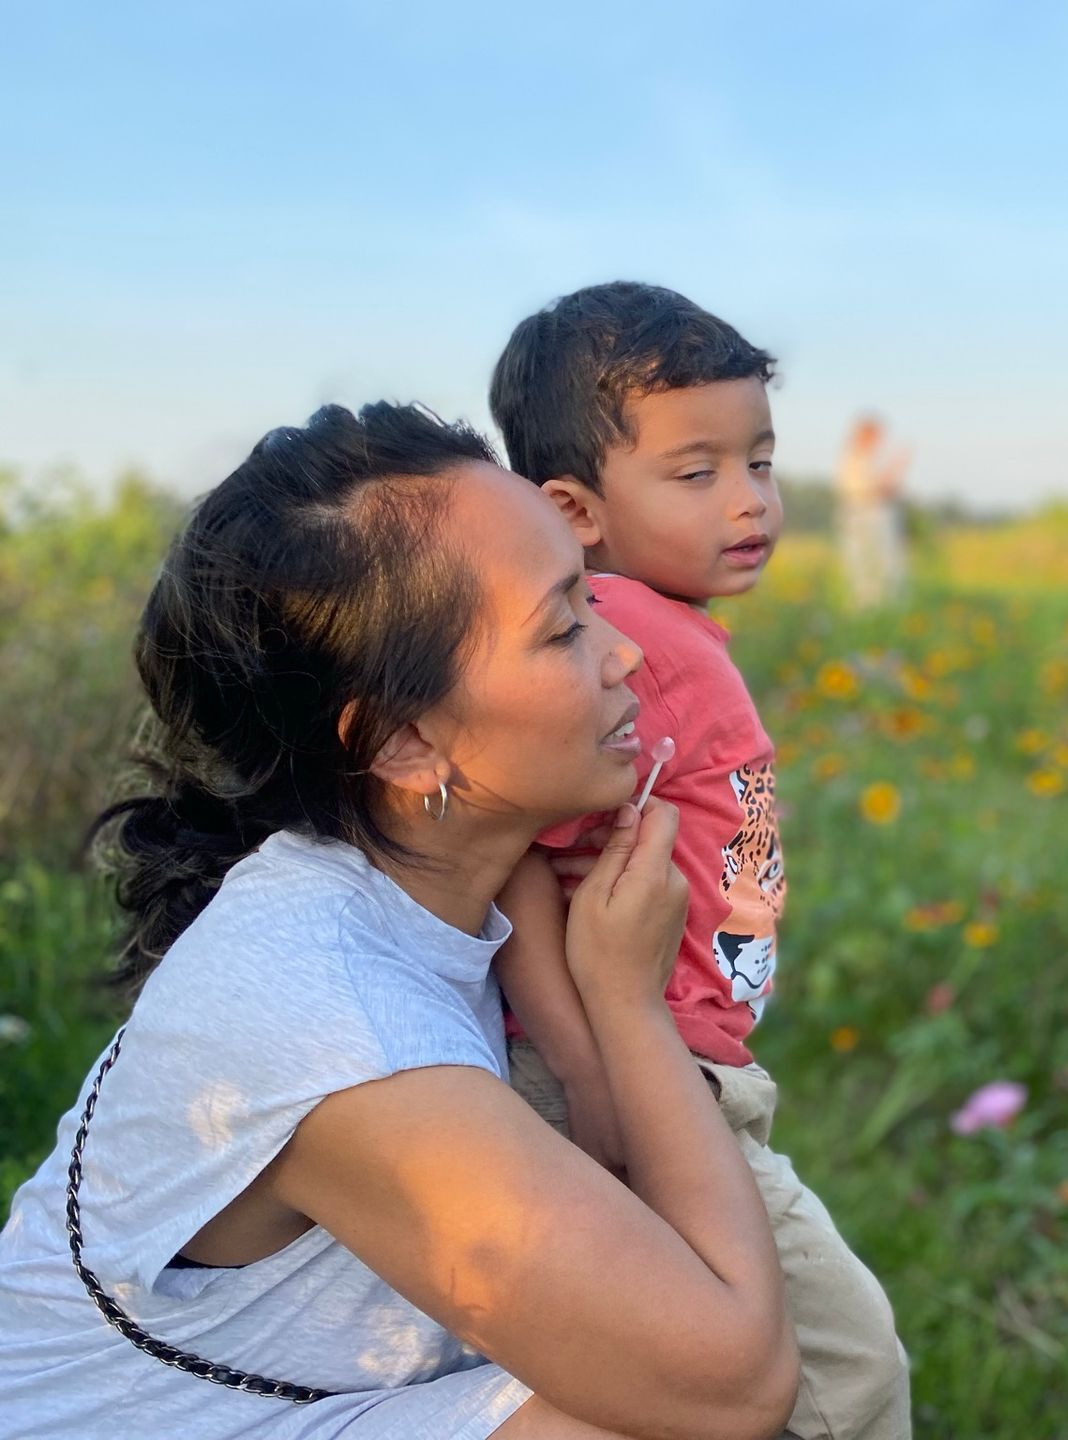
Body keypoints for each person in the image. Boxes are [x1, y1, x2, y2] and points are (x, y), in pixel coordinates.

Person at [0, 402, 798, 1439]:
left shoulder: (450, 882)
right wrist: (627, 1003)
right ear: (406, 746)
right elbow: (732, 1386)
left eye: (594, 600)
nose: (627, 658)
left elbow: (626, 1214)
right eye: (563, 628)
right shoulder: (337, 1024)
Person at [487, 282, 911, 1439]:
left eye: (761, 463)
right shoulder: (616, 637)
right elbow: (513, 859)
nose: (750, 503)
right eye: (697, 472)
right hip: (645, 1078)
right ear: (570, 506)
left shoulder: (652, 624)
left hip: (677, 1064)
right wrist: (588, 1073)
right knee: (845, 1370)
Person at [833, 415, 910, 610]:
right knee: (863, 571)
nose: (879, 441)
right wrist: (895, 469)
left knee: (886, 569)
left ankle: (884, 610)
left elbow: (888, 491)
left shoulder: (869, 459)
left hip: (876, 519)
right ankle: (867, 612)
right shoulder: (853, 459)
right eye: (876, 436)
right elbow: (868, 491)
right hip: (863, 519)